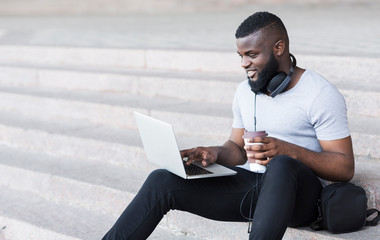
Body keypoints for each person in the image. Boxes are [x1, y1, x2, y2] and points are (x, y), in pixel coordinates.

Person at [102, 11, 354, 240]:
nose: (244, 63)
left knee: (281, 164)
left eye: (252, 55)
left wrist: (287, 151)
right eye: (241, 56)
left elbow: (344, 168)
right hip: (254, 187)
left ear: (279, 47)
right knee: (162, 180)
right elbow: (237, 147)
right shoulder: (245, 91)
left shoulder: (319, 93)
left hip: (301, 198)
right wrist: (215, 153)